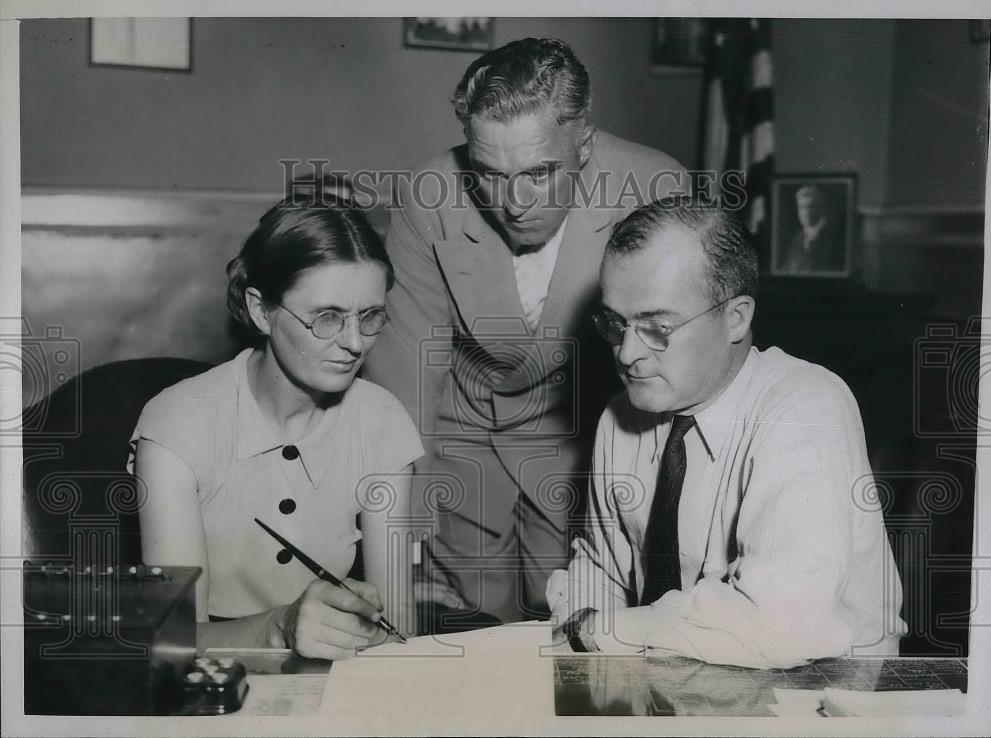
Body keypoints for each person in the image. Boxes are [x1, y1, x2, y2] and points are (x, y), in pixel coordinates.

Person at [363, 37, 686, 626]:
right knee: (468, 635)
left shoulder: (657, 191)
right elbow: (405, 375)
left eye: (539, 173)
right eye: (489, 173)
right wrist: (399, 536)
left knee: (567, 629)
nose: (513, 203)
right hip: (463, 432)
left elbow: (683, 370)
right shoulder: (428, 196)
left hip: (586, 436)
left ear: (583, 143)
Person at [547, 198, 906, 668]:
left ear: (735, 317)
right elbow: (600, 573)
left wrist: (601, 629)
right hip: (677, 691)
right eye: (616, 323)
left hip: (821, 700)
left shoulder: (806, 407)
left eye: (657, 327)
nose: (628, 353)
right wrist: (578, 621)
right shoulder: (621, 419)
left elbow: (780, 626)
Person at [129, 197, 424, 659]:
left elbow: (396, 631)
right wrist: (279, 631)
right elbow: (171, 644)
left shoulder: (382, 421)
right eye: (326, 317)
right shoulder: (177, 427)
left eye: (369, 317)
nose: (353, 343)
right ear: (261, 311)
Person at [775, 184, 844, 274]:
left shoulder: (835, 238)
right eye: (802, 207)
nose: (806, 212)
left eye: (812, 206)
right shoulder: (797, 237)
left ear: (823, 208)